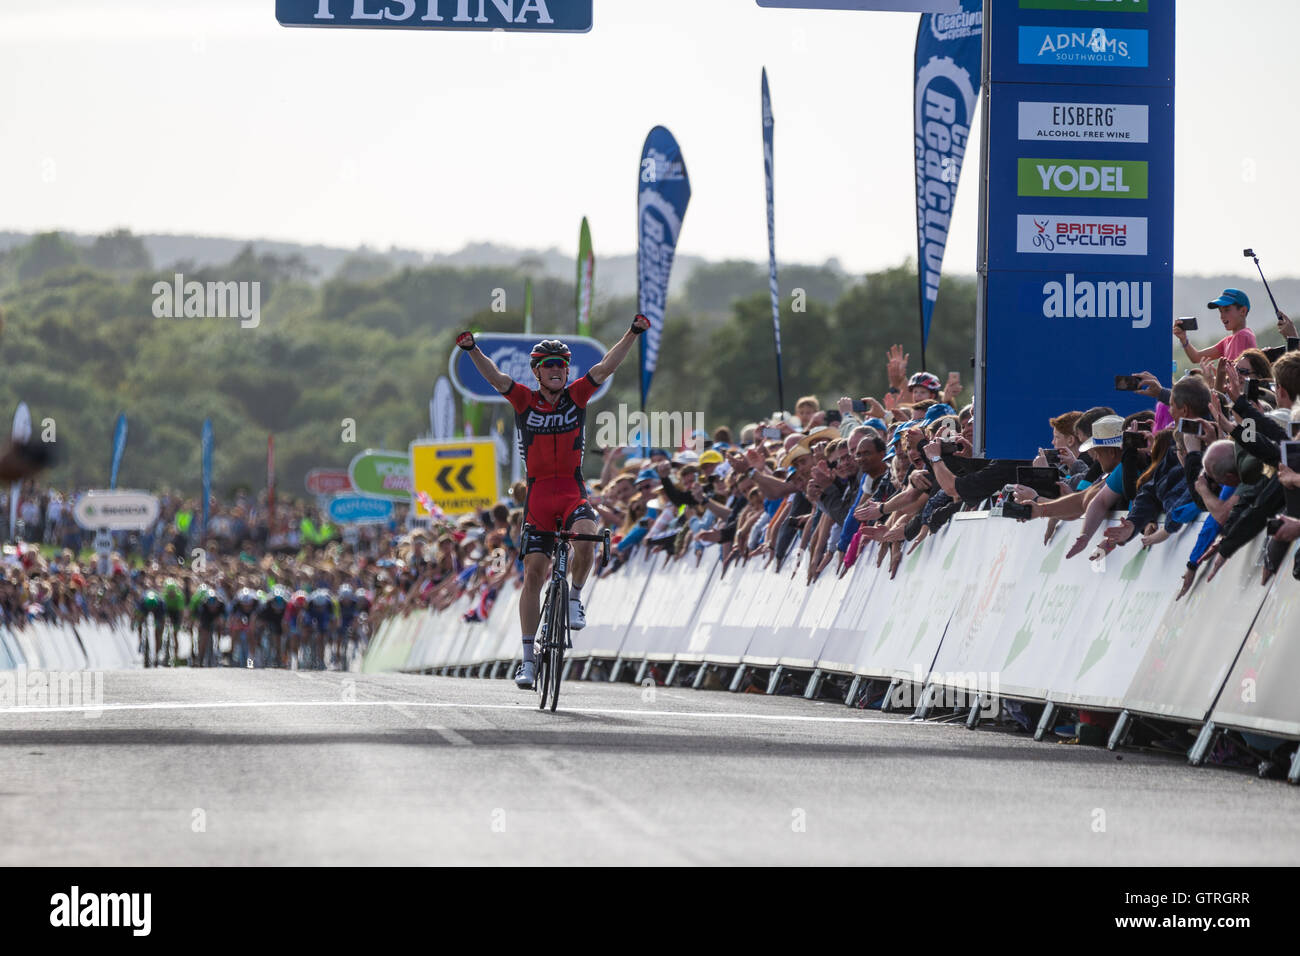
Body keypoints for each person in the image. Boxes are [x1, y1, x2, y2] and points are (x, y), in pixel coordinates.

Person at [456, 313, 650, 689]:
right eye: (549, 367)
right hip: (539, 494)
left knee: (587, 536)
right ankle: (528, 660)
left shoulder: (577, 395)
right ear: (538, 373)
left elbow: (606, 366)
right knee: (533, 575)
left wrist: (633, 332)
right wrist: (472, 349)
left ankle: (575, 596)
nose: (557, 371)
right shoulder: (524, 400)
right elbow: (496, 377)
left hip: (572, 488)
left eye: (561, 365)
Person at [1174, 288, 1256, 365]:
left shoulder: (1243, 335)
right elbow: (1196, 357)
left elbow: (1236, 375)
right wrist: (1183, 339)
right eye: (1220, 311)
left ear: (1243, 311)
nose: (1222, 316)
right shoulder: (1228, 341)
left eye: (1227, 310)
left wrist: (1215, 378)